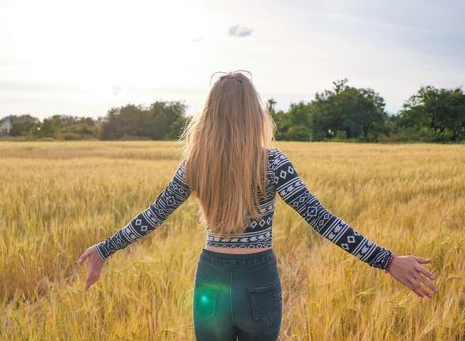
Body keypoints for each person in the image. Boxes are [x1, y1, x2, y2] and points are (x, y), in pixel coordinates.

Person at [78, 71, 439, 340]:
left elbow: (153, 216)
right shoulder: (273, 162)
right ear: (255, 113)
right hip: (258, 280)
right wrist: (387, 260)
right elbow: (323, 221)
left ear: (210, 114)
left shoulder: (195, 163)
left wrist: (104, 249)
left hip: (211, 281)